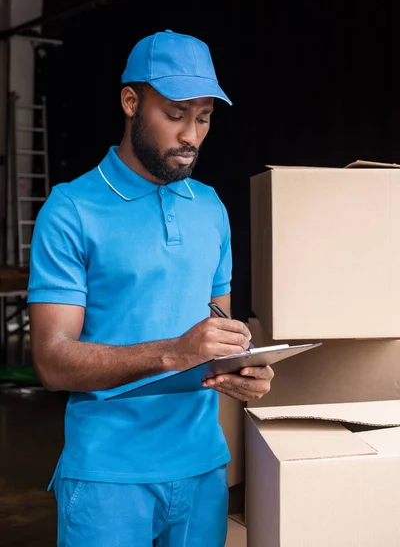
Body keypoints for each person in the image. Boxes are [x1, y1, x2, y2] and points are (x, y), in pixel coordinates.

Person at [28, 29, 274, 547]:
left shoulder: (210, 207)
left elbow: (219, 334)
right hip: (107, 477)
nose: (191, 134)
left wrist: (244, 371)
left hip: (204, 468)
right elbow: (51, 362)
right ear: (131, 102)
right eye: (175, 114)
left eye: (203, 118)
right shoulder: (71, 209)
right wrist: (175, 352)